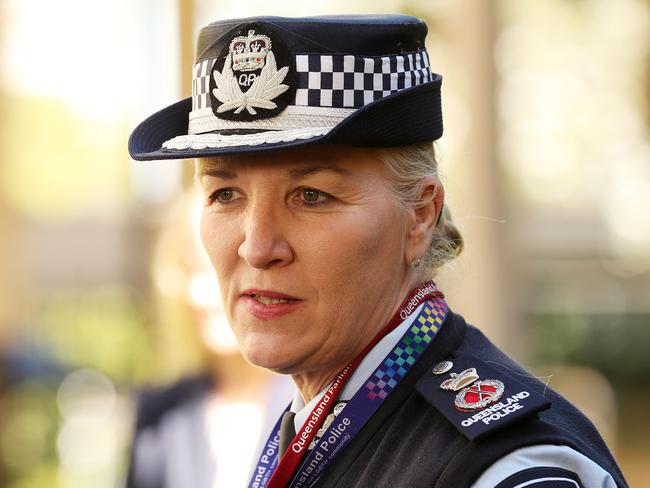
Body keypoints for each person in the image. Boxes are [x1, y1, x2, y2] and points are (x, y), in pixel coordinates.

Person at [129, 14, 629, 488]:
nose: (258, 247)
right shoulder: (323, 423)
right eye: (225, 195)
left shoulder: (506, 467)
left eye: (311, 196)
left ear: (420, 216)